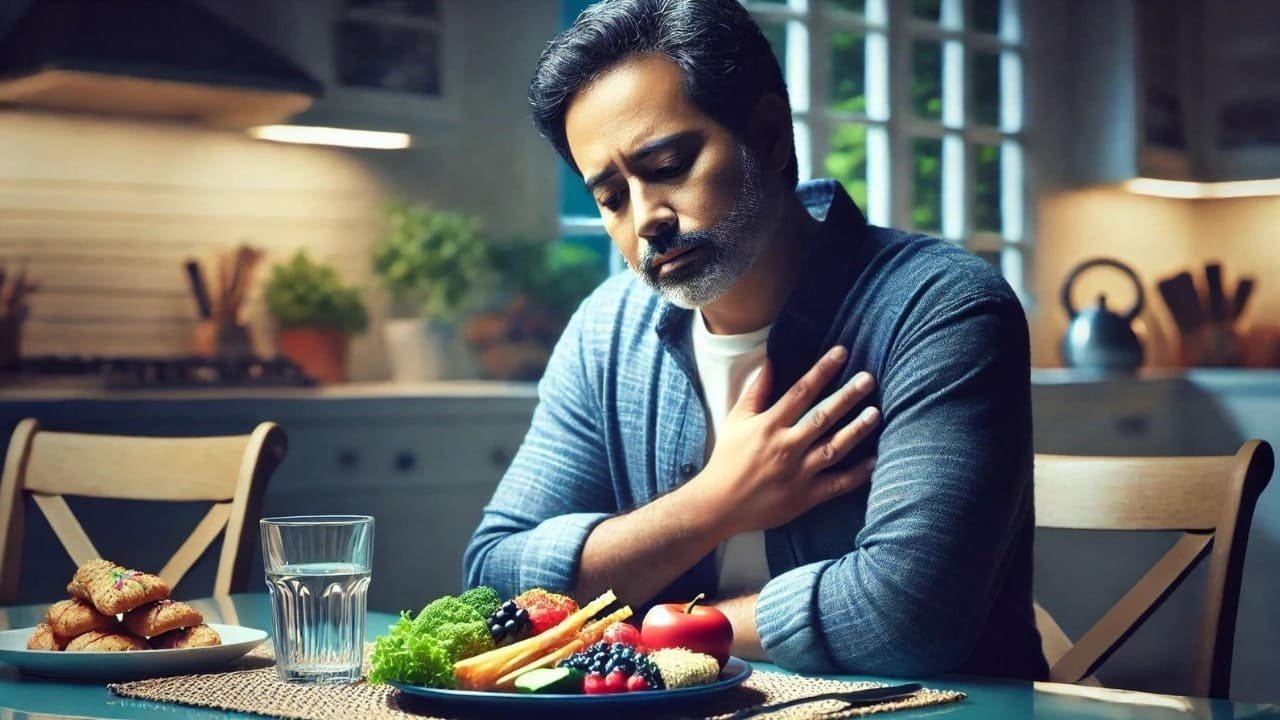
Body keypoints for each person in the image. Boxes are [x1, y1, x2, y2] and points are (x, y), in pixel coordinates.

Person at [464, 0, 1047, 680]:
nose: (646, 219)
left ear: (770, 137)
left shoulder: (941, 306)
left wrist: (649, 636)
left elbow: (909, 619)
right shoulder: (605, 329)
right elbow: (494, 579)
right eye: (612, 198)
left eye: (669, 165)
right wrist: (716, 502)